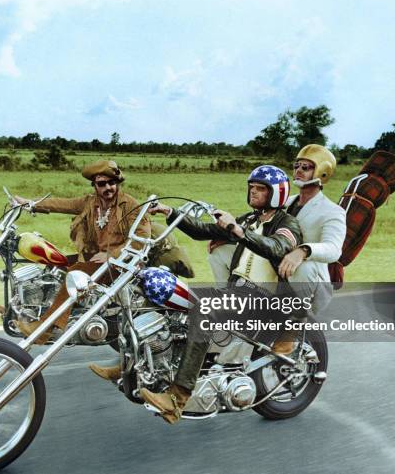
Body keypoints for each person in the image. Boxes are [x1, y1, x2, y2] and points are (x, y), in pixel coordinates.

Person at [139, 165, 303, 424]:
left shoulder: (287, 224)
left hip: (264, 299)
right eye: (252, 187)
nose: (253, 192)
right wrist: (172, 213)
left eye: (260, 189)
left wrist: (237, 231)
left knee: (203, 311)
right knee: (176, 301)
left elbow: (277, 248)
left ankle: (177, 399)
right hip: (237, 292)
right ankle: (138, 368)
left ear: (276, 194)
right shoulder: (250, 220)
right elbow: (202, 231)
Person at [12, 160, 151, 342]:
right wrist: (30, 204)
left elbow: (143, 237)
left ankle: (45, 329)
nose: (108, 187)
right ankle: (31, 311)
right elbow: (62, 204)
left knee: (76, 273)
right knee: (55, 264)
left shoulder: (129, 205)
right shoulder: (90, 203)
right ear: (94, 185)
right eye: (102, 184)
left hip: (122, 264)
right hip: (97, 260)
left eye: (112, 183)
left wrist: (112, 255)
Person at [273, 144, 346, 353]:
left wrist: (303, 251)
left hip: (313, 285)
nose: (298, 170)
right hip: (276, 276)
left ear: (322, 172)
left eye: (306, 167)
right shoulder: (283, 204)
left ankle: (292, 330)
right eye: (296, 165)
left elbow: (334, 249)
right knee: (221, 253)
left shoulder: (333, 211)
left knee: (303, 267)